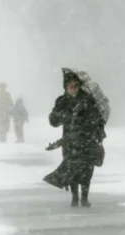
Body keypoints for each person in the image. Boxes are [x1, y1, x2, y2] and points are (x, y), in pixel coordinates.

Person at [45, 71, 106, 207]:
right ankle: (74, 197)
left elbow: (98, 118)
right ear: (66, 87)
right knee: (72, 168)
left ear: (79, 85)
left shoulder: (88, 100)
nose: (73, 88)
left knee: (86, 169)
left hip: (87, 139)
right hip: (70, 140)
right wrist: (65, 115)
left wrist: (96, 128)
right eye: (70, 86)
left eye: (76, 85)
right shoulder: (61, 101)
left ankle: (84, 197)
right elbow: (53, 121)